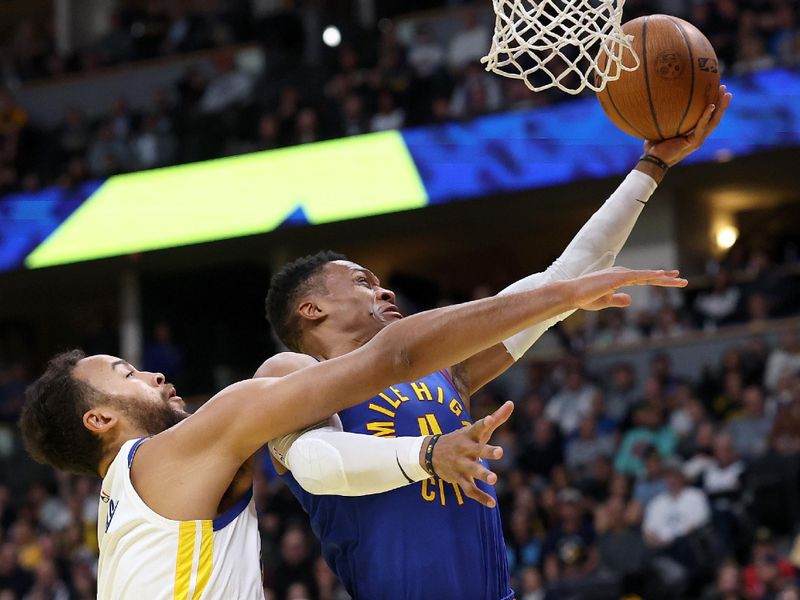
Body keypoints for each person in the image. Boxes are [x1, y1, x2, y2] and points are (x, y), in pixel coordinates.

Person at [259, 88, 731, 599]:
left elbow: (567, 274)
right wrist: (428, 454)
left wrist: (653, 164)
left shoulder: (446, 373)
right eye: (361, 281)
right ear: (312, 310)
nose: (384, 289)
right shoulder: (291, 371)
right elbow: (316, 464)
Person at [17, 262, 685, 598]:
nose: (155, 376)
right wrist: (564, 296)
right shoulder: (174, 451)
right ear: (98, 418)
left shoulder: (123, 504)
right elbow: (391, 360)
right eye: (128, 373)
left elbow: (331, 438)